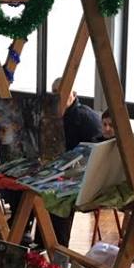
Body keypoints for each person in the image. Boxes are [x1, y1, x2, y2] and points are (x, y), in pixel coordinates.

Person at [52, 77, 104, 247]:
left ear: (74, 94)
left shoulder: (85, 117)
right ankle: (38, 240)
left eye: (63, 92)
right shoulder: (53, 117)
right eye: (55, 93)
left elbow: (99, 153)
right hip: (63, 171)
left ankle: (58, 248)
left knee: (58, 196)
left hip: (86, 177)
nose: (58, 97)